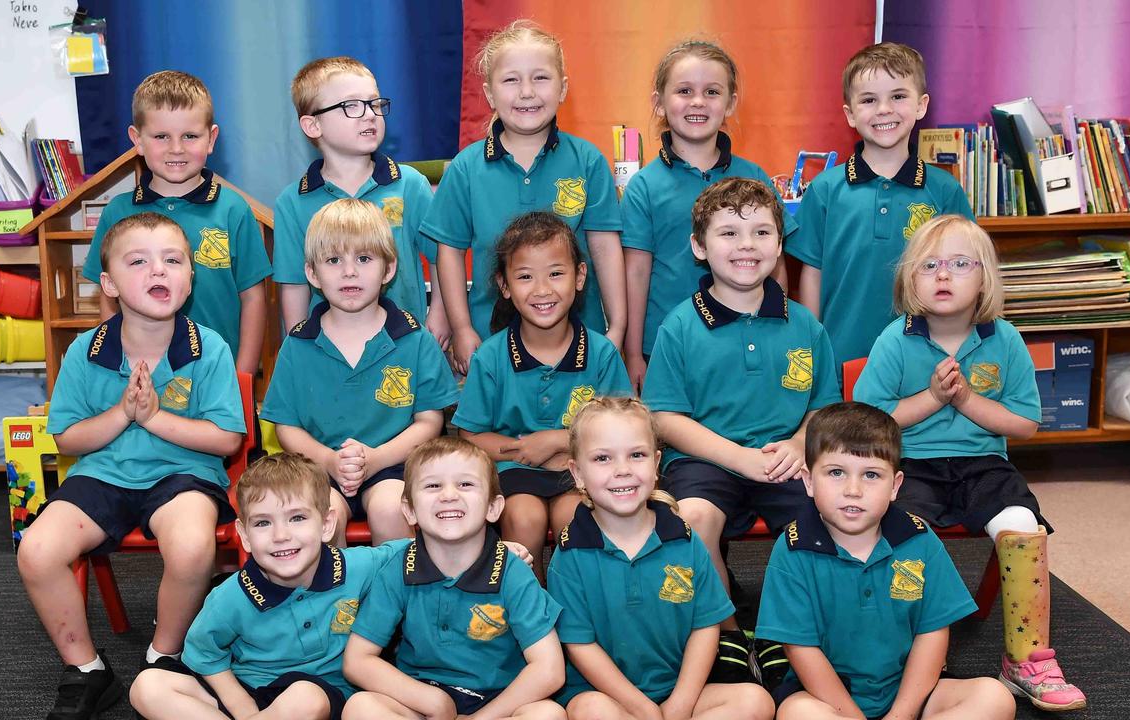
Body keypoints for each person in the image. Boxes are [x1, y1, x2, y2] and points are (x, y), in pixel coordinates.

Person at [18, 212, 246, 719]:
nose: (157, 271)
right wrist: (123, 412)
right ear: (109, 283)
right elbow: (68, 437)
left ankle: (164, 656)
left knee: (190, 547)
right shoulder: (86, 350)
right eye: (138, 261)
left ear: (190, 278)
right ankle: (86, 670)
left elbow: (227, 440)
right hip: (101, 475)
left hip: (184, 477)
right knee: (36, 549)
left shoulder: (209, 349)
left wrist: (155, 417)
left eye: (172, 260)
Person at [854, 214, 1087, 711]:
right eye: (930, 265)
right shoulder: (895, 339)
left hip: (983, 464)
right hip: (911, 464)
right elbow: (869, 422)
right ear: (910, 279)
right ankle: (901, 655)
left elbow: (1024, 424)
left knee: (1023, 526)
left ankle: (1027, 660)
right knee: (902, 531)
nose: (943, 275)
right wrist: (934, 397)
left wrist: (965, 402)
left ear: (984, 277)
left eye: (961, 264)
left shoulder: (1004, 339)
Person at [642, 176, 840, 684]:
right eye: (729, 233)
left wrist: (799, 443)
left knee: (828, 515)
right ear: (699, 247)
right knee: (693, 518)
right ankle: (727, 631)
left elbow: (823, 408)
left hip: (785, 457)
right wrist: (738, 458)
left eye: (760, 233)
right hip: (707, 460)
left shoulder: (806, 325)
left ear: (779, 245)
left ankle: (780, 631)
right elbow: (664, 418)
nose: (746, 246)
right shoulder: (679, 326)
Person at [756, 402, 1016, 720]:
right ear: (809, 481)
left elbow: (932, 632)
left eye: (871, 475)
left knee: (995, 698)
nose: (853, 490)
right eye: (836, 473)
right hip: (828, 697)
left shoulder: (919, 539)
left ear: (895, 486)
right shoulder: (792, 550)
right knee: (797, 714)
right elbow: (801, 649)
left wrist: (903, 713)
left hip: (911, 692)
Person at [548, 396, 775, 720]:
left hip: (679, 691)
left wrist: (681, 703)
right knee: (590, 710)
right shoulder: (570, 555)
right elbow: (581, 646)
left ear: (656, 465)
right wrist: (644, 709)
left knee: (755, 702)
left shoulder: (684, 540)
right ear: (578, 473)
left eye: (636, 455)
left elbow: (706, 625)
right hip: (608, 697)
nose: (622, 470)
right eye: (603, 458)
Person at [128, 453, 403, 720]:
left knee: (305, 698)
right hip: (249, 690)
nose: (281, 536)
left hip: (321, 696)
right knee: (146, 687)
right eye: (262, 523)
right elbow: (203, 653)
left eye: (297, 518)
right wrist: (244, 708)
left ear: (326, 524)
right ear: (245, 536)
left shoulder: (360, 566)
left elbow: (411, 550)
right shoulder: (229, 595)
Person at [423, 20, 625, 374]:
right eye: (511, 80)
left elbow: (605, 249)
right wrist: (461, 327)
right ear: (489, 94)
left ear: (563, 89)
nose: (527, 92)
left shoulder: (588, 160)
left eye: (541, 78)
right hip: (490, 342)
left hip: (580, 345)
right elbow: (449, 252)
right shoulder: (466, 169)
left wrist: (618, 327)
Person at [262, 198, 459, 545]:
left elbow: (430, 422)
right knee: (322, 519)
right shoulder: (297, 345)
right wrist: (328, 460)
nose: (349, 272)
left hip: (394, 466)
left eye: (364, 259)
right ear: (312, 273)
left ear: (388, 269)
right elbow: (286, 426)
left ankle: (396, 597)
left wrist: (376, 459)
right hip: (320, 469)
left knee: (389, 509)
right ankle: (335, 600)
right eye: (334, 260)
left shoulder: (414, 340)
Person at [454, 212, 631, 582]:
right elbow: (471, 437)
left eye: (555, 273)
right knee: (524, 518)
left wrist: (558, 442)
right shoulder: (490, 356)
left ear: (580, 277)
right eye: (524, 277)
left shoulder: (601, 354)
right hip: (514, 472)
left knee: (574, 517)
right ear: (504, 285)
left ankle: (579, 618)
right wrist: (526, 451)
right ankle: (531, 621)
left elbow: (624, 430)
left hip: (579, 471)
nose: (541, 289)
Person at [342, 437, 566, 720]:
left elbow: (549, 669)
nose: (449, 495)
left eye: (466, 484)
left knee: (548, 714)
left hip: (498, 702)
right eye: (433, 485)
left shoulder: (513, 570)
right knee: (360, 707)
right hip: (420, 698)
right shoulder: (397, 568)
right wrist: (432, 701)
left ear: (493, 508)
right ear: (409, 510)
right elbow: (357, 660)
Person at [621, 39, 798, 391]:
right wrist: (633, 353)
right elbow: (636, 274)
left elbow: (776, 265)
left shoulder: (755, 177)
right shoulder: (643, 187)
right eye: (684, 90)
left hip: (744, 343)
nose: (698, 101)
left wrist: (778, 332)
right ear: (659, 103)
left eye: (712, 91)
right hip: (665, 351)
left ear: (730, 102)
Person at [785, 42, 973, 369]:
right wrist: (812, 349)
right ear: (850, 114)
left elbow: (965, 273)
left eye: (898, 96)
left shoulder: (945, 191)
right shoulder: (825, 189)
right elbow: (812, 275)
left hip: (924, 364)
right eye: (869, 100)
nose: (884, 109)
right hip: (840, 362)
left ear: (921, 105)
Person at [82, 70, 272, 373]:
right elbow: (108, 297)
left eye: (190, 136)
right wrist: (119, 368)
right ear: (137, 140)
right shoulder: (117, 212)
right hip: (144, 376)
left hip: (218, 378)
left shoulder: (234, 210)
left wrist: (243, 377)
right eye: (161, 137)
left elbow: (253, 299)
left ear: (211, 139)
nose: (176, 148)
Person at [273, 56, 445, 341]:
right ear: (313, 125)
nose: (369, 115)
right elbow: (294, 285)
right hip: (329, 355)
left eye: (375, 104)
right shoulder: (292, 202)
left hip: (405, 346)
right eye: (350, 106)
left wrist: (440, 313)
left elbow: (441, 258)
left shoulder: (410, 185)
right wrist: (299, 346)